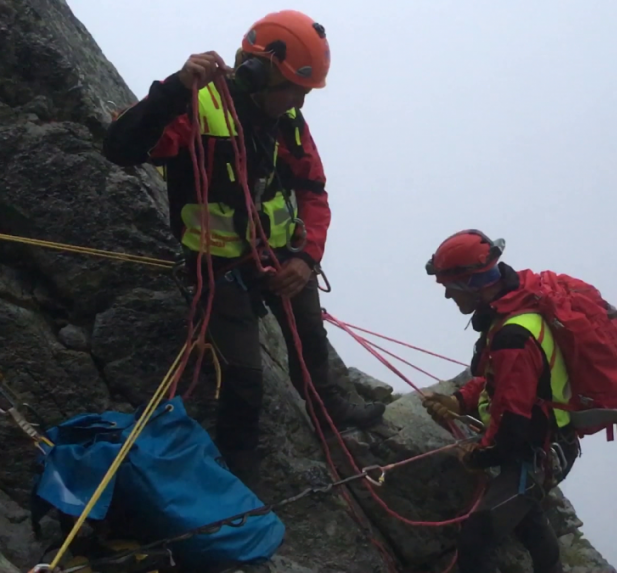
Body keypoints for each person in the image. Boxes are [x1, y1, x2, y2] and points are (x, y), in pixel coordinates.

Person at [101, 10, 385, 493]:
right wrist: (172, 89)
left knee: (311, 342)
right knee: (244, 380)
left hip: (281, 258)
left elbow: (313, 190)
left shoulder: (289, 121)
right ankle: (241, 469)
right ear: (260, 70)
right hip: (219, 266)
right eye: (295, 88)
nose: (299, 100)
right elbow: (121, 147)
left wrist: (306, 258)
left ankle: (327, 409)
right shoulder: (196, 107)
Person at [421, 229, 581, 573]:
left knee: (475, 540)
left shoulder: (513, 335)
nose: (448, 295)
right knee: (526, 513)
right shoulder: (515, 311)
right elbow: (498, 383)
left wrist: (478, 454)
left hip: (535, 452)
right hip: (548, 444)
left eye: (451, 286)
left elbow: (511, 425)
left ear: (473, 284)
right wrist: (458, 402)